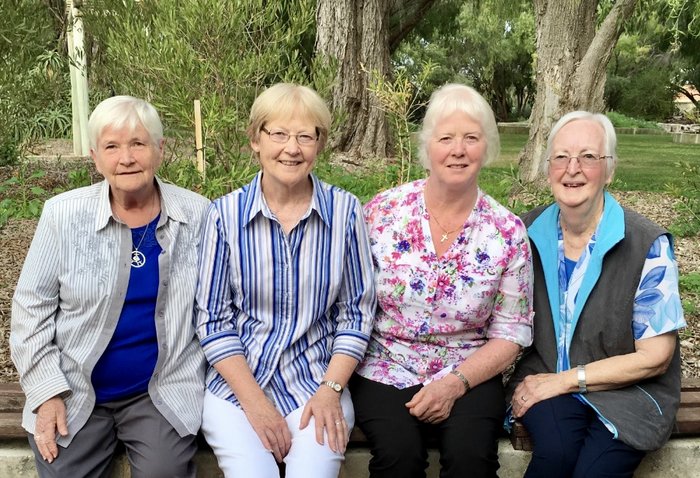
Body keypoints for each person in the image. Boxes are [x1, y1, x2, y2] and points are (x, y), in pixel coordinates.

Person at [10, 96, 210, 477]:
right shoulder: (63, 214)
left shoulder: (197, 214)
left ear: (160, 149)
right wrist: (47, 392)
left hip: (160, 390)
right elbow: (30, 310)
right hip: (75, 389)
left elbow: (217, 309)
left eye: (138, 143)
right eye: (112, 146)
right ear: (95, 156)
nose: (126, 158)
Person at [349, 83, 534, 478]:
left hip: (469, 369)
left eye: (471, 138)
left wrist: (454, 383)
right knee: (399, 459)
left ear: (487, 147)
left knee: (471, 462)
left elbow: (511, 332)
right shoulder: (381, 213)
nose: (458, 149)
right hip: (385, 364)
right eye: (446, 138)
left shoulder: (506, 231)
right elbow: (349, 302)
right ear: (427, 147)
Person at [194, 83, 376, 478]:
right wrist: (255, 404)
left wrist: (331, 389)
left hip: (317, 383)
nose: (291, 148)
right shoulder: (223, 216)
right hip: (237, 389)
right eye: (278, 134)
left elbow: (357, 314)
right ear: (255, 140)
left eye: (305, 136)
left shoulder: (345, 213)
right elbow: (212, 321)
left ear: (319, 144)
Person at [507, 111, 686, 477]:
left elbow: (655, 357)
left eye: (589, 157)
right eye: (561, 157)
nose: (573, 168)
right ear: (548, 168)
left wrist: (565, 380)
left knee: (595, 472)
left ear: (610, 170)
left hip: (631, 391)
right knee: (554, 456)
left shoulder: (646, 243)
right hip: (546, 377)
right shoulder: (522, 233)